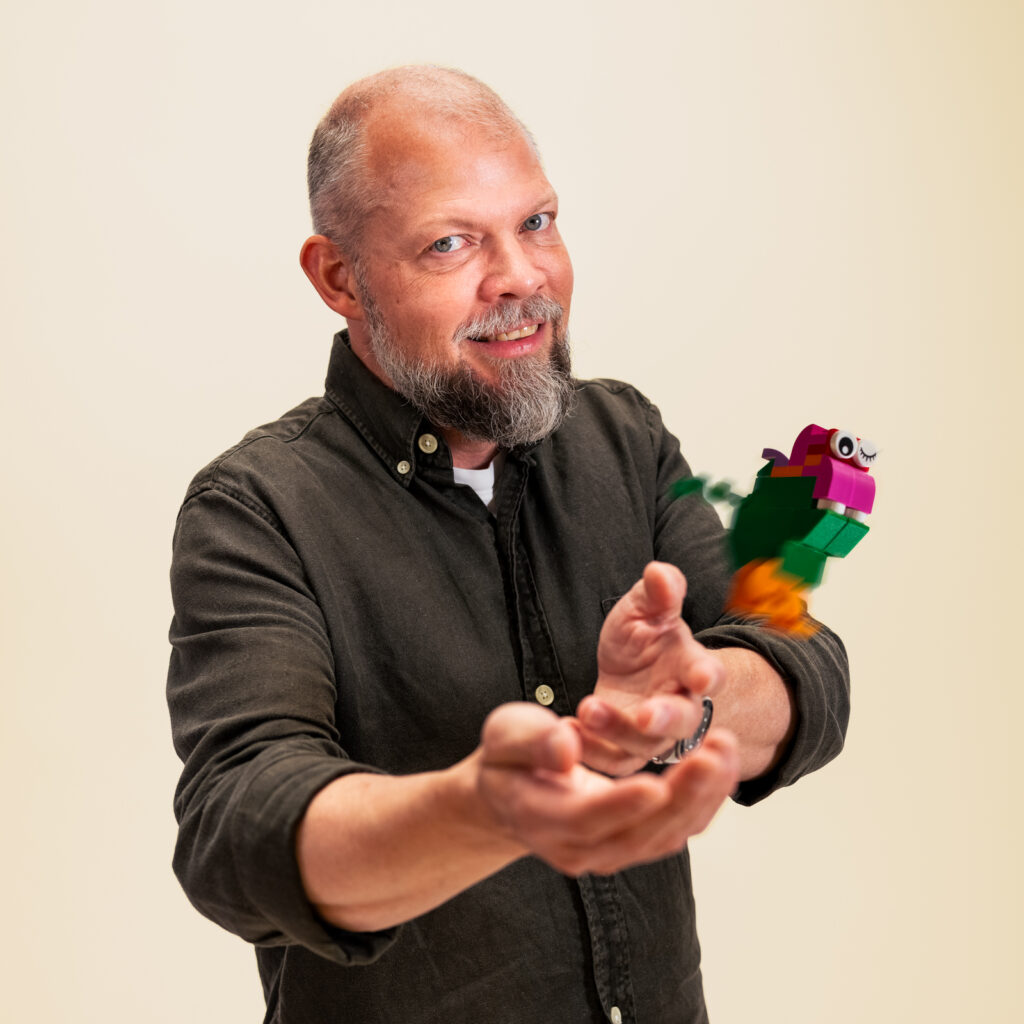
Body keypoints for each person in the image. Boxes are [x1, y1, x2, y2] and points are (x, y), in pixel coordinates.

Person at [167, 66, 850, 1024]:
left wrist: (687, 703)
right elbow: (239, 833)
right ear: (338, 278)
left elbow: (804, 665)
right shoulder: (256, 507)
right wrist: (481, 812)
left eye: (536, 222)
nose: (523, 278)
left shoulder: (624, 437)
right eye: (450, 243)